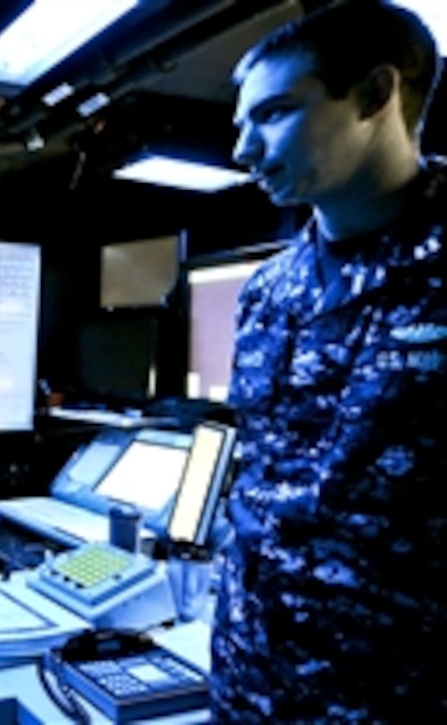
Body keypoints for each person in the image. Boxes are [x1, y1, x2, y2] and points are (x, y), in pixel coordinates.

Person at [213, 1, 447, 719]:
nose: (243, 152)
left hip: (391, 695)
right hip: (249, 679)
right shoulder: (267, 292)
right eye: (240, 124)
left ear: (377, 95)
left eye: (275, 114)